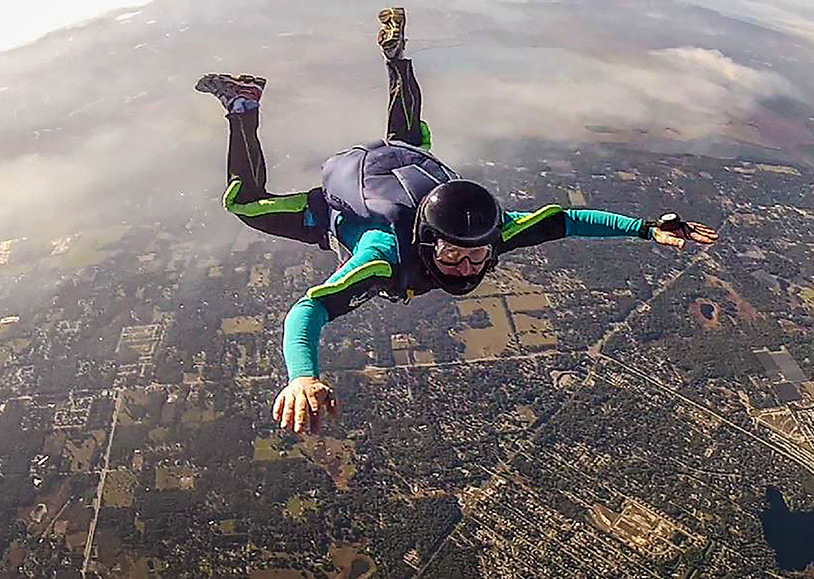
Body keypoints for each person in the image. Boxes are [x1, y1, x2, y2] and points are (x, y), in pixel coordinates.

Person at [196, 7, 719, 435]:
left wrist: (647, 229)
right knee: (245, 205)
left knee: (408, 142)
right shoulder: (382, 255)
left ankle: (396, 59)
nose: (467, 268)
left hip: (409, 172)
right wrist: (303, 376)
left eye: (476, 257)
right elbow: (308, 311)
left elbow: (566, 219)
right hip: (338, 211)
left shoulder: (491, 230)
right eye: (454, 256)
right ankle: (243, 105)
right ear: (428, 245)